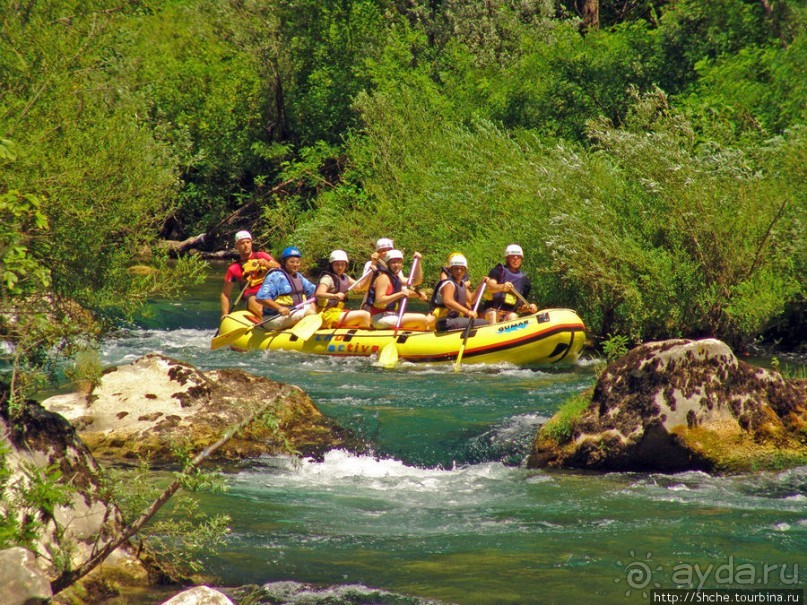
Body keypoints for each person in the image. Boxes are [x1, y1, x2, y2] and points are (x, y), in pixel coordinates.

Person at [367, 250, 434, 330]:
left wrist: (418, 261)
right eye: (393, 262)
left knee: (423, 320)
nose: (396, 265)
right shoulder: (383, 278)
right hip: (379, 317)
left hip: (391, 315)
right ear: (388, 264)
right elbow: (379, 300)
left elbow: (417, 281)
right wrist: (400, 294)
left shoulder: (396, 278)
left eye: (399, 262)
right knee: (422, 318)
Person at [220, 230, 280, 319]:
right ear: (236, 246)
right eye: (242, 243)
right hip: (251, 295)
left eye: (248, 242)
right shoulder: (234, 268)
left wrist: (267, 264)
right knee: (260, 310)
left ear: (251, 243)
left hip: (270, 291)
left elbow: (278, 267)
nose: (245, 245)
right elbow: (225, 294)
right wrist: (225, 313)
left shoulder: (262, 256)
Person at [255, 246, 317, 329]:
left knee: (317, 309)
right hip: (274, 317)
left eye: (297, 262)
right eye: (292, 262)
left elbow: (313, 292)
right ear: (284, 262)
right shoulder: (276, 276)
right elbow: (260, 298)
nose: (295, 265)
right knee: (309, 313)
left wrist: (313, 304)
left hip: (293, 313)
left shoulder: (298, 277)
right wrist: (279, 308)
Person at [430, 254, 488, 332]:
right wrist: (467, 312)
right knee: (485, 323)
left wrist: (481, 285)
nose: (459, 271)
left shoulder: (461, 284)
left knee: (482, 322)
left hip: (454, 319)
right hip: (444, 322)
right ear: (451, 270)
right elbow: (448, 301)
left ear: (465, 271)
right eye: (456, 269)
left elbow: (471, 299)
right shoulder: (449, 284)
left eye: (462, 269)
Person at [482, 244, 538, 323]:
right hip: (490, 310)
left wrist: (528, 307)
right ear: (507, 258)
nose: (516, 259)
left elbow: (520, 307)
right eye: (513, 257)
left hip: (508, 313)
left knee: (513, 316)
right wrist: (502, 287)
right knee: (493, 314)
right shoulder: (498, 271)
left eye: (518, 257)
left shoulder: (525, 281)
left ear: (521, 259)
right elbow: (490, 287)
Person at [316, 250, 371, 329]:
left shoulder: (344, 277)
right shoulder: (327, 278)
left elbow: (360, 287)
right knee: (365, 315)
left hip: (338, 312)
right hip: (327, 314)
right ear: (331, 265)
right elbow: (319, 294)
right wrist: (334, 295)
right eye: (337, 264)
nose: (340, 267)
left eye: (342, 264)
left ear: (346, 265)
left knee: (367, 314)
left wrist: (371, 271)